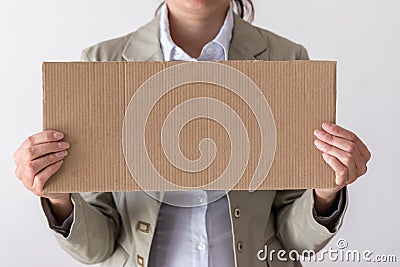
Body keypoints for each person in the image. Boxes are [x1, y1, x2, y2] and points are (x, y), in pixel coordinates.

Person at [13, 0, 371, 266]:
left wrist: (325, 194)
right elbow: (99, 246)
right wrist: (59, 199)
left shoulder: (288, 60)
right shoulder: (101, 63)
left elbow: (294, 238)